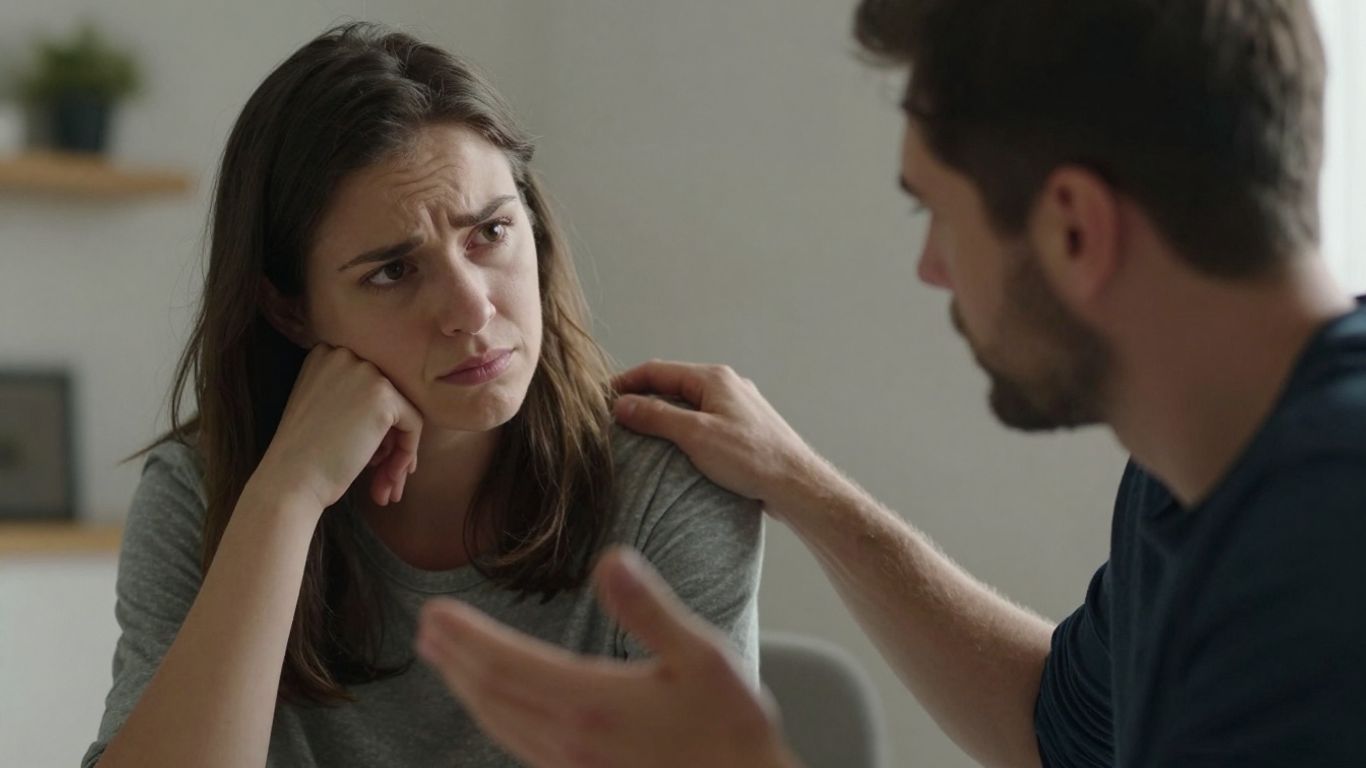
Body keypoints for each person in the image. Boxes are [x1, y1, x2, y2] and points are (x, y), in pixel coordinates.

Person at [415, 1, 1366, 766]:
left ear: (1074, 228)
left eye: (936, 213)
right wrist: (804, 487)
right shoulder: (1204, 465)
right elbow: (1060, 731)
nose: (931, 269)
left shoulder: (1323, 540)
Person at [83, 23, 762, 768]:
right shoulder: (202, 493)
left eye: (491, 233)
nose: (471, 309)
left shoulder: (663, 485)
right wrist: (286, 498)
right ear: (291, 310)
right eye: (393, 272)